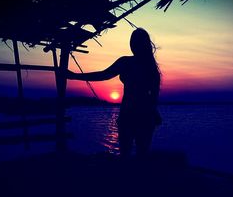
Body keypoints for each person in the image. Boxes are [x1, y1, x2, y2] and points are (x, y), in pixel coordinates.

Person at [64, 28, 162, 158]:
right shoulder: (150, 66)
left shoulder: (127, 62)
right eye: (131, 41)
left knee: (127, 154)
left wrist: (75, 76)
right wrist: (154, 112)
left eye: (134, 42)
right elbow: (153, 97)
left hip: (131, 113)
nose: (132, 45)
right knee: (141, 155)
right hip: (143, 114)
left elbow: (104, 75)